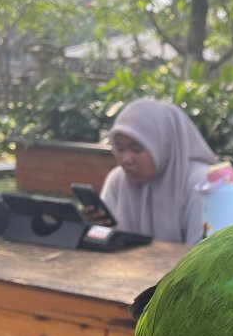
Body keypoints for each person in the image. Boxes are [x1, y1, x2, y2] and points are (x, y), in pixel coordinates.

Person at [88, 99, 217, 244]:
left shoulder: (204, 182)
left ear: (164, 145)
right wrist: (96, 228)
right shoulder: (118, 180)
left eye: (136, 149)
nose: (126, 159)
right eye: (119, 149)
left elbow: (203, 256)